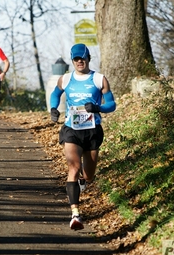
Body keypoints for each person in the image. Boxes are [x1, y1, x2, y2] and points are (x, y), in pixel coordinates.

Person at [50, 43, 116, 230]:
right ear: (72, 61)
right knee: (74, 166)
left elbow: (111, 104)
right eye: (76, 59)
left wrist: (98, 107)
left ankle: (83, 182)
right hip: (72, 129)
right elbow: (55, 95)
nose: (80, 61)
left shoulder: (99, 79)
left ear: (88, 58)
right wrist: (54, 109)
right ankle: (75, 214)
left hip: (92, 130)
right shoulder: (66, 79)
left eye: (83, 58)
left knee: (89, 175)